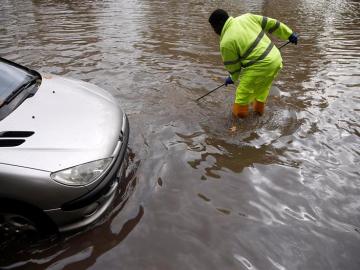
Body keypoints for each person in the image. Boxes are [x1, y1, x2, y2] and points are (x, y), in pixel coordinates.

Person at [208, 9, 298, 118]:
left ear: (219, 24)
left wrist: (232, 78)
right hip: (276, 59)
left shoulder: (226, 42)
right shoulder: (247, 17)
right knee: (262, 89)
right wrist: (289, 34)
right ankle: (258, 115)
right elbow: (272, 23)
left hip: (260, 66)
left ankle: (238, 124)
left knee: (242, 94)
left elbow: (234, 66)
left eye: (213, 28)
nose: (214, 31)